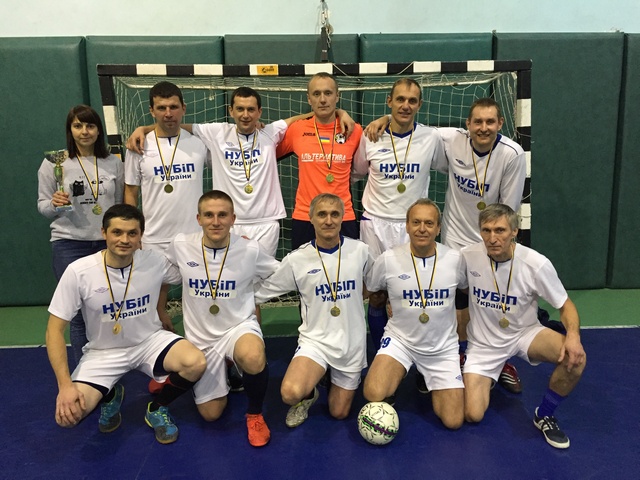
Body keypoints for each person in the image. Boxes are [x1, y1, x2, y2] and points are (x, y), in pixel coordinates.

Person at [366, 97, 527, 393]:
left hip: (487, 239)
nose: (483, 127)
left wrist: (493, 243)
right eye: (477, 121)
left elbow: (507, 209)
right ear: (467, 124)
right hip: (453, 238)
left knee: (489, 302)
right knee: (454, 303)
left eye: (490, 121)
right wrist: (384, 120)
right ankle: (453, 356)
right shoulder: (452, 139)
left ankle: (499, 360)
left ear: (500, 123)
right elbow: (407, 122)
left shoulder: (512, 154)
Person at [45, 204, 206, 445]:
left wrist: (233, 248)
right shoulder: (79, 272)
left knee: (196, 362)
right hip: (103, 353)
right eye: (117, 232)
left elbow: (196, 269)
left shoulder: (154, 261)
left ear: (141, 236)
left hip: (149, 342)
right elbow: (54, 331)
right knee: (69, 416)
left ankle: (157, 408)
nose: (124, 239)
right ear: (104, 233)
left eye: (132, 233)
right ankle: (110, 394)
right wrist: (65, 386)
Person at [461, 204, 586, 449]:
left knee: (575, 359)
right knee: (473, 415)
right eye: (486, 230)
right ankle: (495, 371)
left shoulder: (536, 264)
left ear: (514, 231)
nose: (492, 238)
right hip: (484, 344)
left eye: (500, 230)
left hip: (525, 333)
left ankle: (544, 415)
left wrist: (573, 336)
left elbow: (566, 305)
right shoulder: (467, 256)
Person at [165, 190, 279, 447]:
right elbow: (162, 271)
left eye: (222, 215)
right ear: (198, 219)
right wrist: (160, 310)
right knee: (211, 415)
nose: (215, 221)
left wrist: (254, 295)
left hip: (238, 327)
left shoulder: (249, 248)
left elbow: (279, 274)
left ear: (232, 219)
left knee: (253, 356)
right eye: (209, 215)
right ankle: (226, 367)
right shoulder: (181, 245)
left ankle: (255, 414)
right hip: (202, 339)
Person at [254, 193, 373, 427]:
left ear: (342, 218)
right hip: (315, 341)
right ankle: (309, 395)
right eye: (322, 214)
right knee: (290, 393)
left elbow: (375, 282)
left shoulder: (360, 251)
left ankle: (330, 378)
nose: (328, 220)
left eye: (334, 214)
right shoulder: (297, 259)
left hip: (351, 344)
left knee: (339, 412)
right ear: (311, 219)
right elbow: (261, 292)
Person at [352, 78, 446, 359]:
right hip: (375, 223)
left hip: (413, 227)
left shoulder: (431, 138)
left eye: (412, 100)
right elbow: (357, 172)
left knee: (416, 295)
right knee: (377, 295)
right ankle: (382, 356)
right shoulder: (370, 136)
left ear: (420, 105)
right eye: (400, 99)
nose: (406, 105)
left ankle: (420, 356)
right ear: (389, 101)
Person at [363, 199, 465, 429]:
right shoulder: (388, 259)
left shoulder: (455, 260)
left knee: (453, 421)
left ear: (438, 228)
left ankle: (429, 376)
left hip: (442, 348)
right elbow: (371, 290)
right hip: (401, 342)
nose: (422, 228)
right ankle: (393, 372)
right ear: (407, 226)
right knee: (373, 393)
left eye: (429, 223)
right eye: (416, 222)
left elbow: (467, 293)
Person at [38, 104, 124, 364]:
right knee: (77, 315)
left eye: (90, 126)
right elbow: (43, 207)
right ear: (70, 130)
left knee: (108, 310)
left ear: (98, 130)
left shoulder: (113, 163)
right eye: (78, 126)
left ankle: (108, 368)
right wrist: (54, 204)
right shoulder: (54, 163)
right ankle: (83, 374)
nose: (84, 131)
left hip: (106, 246)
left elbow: (118, 206)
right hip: (69, 244)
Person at [124, 81, 210, 331]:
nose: (168, 113)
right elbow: (130, 192)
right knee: (152, 306)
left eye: (173, 107)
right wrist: (134, 233)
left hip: (193, 236)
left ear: (184, 108)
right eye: (161, 108)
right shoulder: (138, 147)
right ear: (152, 111)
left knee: (200, 297)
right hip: (153, 236)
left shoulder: (199, 143)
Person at [276, 73, 364, 250]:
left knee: (345, 267)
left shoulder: (354, 130)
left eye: (328, 93)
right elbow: (264, 148)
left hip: (342, 216)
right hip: (306, 216)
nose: (323, 99)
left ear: (337, 96)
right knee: (303, 267)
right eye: (316, 94)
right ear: (309, 99)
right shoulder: (297, 130)